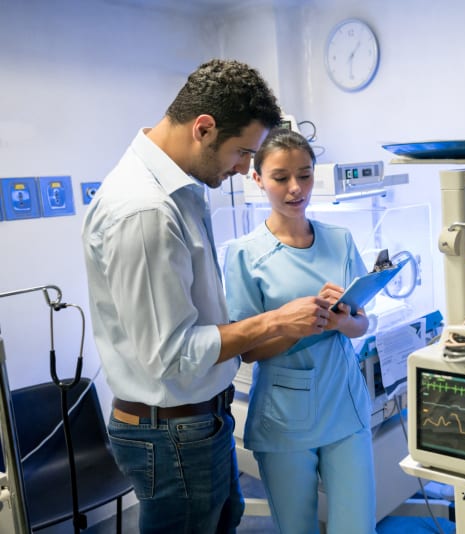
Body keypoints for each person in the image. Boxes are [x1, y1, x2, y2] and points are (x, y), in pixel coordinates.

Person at [82, 60, 332, 534]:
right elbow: (170, 353)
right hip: (172, 434)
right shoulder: (146, 210)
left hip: (196, 423)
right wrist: (275, 322)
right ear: (203, 129)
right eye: (243, 153)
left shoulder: (179, 193)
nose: (243, 169)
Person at [223, 129, 376, 534]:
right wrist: (301, 326)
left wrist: (342, 321)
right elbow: (248, 350)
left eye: (305, 175)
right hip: (285, 416)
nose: (296, 188)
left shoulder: (340, 240)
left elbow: (361, 323)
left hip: (345, 403)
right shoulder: (245, 254)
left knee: (357, 527)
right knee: (297, 528)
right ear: (258, 179)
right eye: (281, 178)